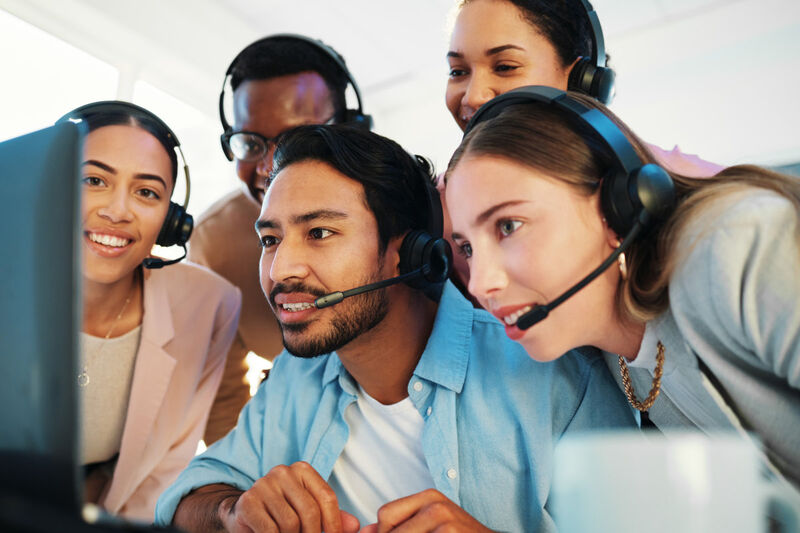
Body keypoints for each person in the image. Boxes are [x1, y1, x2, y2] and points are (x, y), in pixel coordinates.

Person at [154, 124, 636, 532]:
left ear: (406, 254)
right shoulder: (296, 376)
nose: (281, 270)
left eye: (319, 233)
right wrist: (233, 511)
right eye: (271, 238)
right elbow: (183, 498)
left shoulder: (560, 374)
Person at [444, 86, 800, 491]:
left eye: (508, 226)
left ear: (619, 207)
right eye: (468, 248)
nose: (481, 283)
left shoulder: (735, 246)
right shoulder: (619, 361)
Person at [441, 0, 724, 294]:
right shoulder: (440, 211)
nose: (472, 96)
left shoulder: (693, 192)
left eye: (504, 67)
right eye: (458, 72)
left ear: (581, 81)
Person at [189, 35, 372, 444]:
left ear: (350, 130)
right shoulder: (212, 246)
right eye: (251, 143)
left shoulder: (417, 207)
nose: (272, 166)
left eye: (296, 138)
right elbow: (223, 402)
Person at [63, 101, 241, 520]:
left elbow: (161, 473)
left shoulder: (208, 304)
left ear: (169, 220)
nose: (117, 211)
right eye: (94, 179)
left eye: (146, 192)